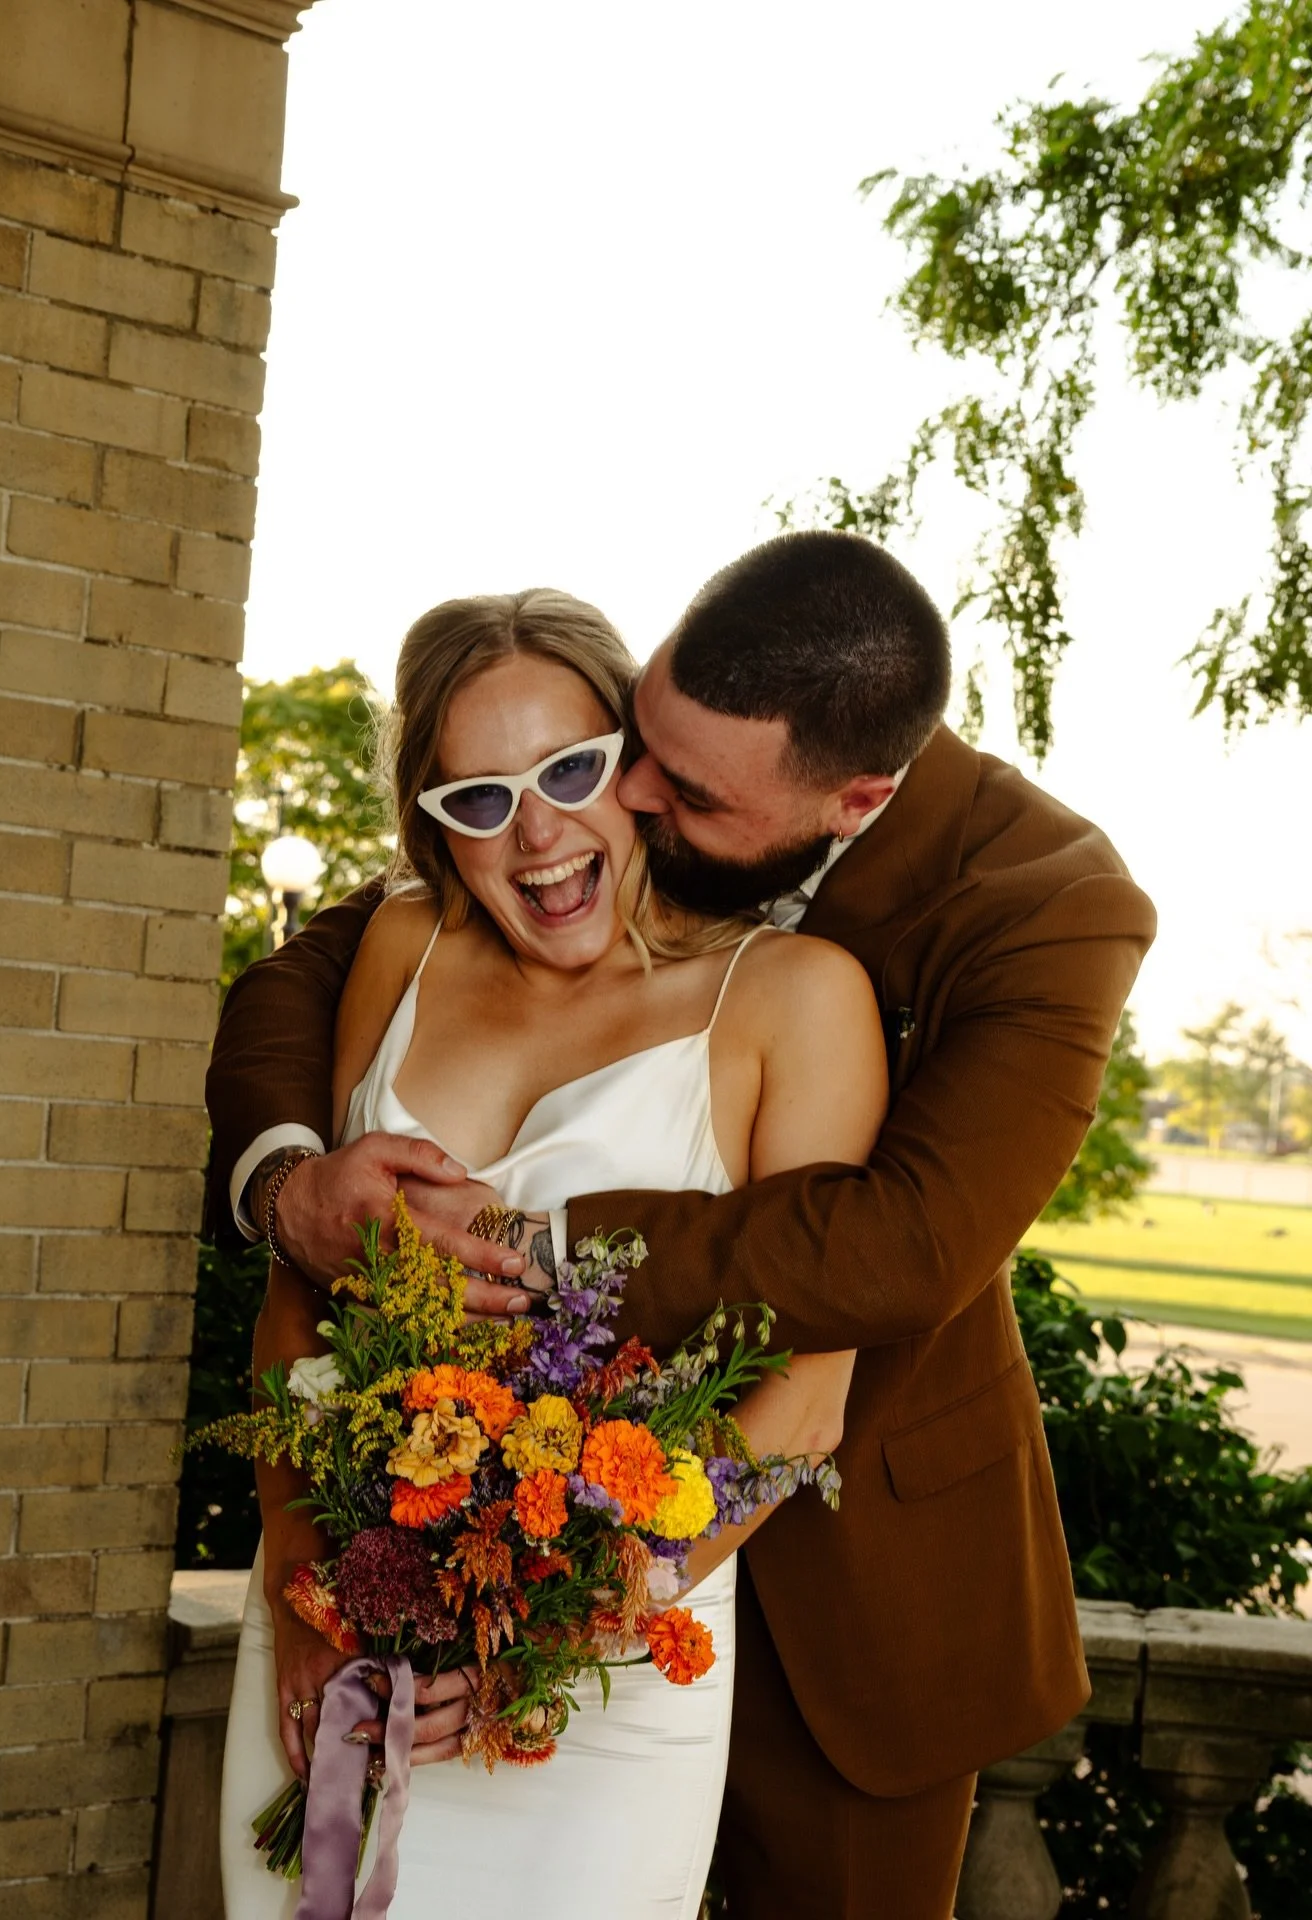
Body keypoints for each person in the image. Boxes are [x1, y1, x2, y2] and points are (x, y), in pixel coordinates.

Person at [208, 532, 1156, 1919]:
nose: (626, 796)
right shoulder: (637, 761)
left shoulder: (1045, 908)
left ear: (853, 799)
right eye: (628, 749)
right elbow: (310, 978)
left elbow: (897, 1253)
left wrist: (531, 1257)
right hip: (399, 1594)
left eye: (649, 781)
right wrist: (290, 1190)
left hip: (840, 1574)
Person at [219, 585, 886, 1919]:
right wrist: (302, 1597)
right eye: (479, 799)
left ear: (639, 770)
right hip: (332, 1644)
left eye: (571, 771)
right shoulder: (400, 950)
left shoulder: (794, 1002)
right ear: (434, 826)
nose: (535, 832)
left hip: (603, 1690)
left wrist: (554, 1621)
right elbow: (304, 1303)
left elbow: (805, 1404)